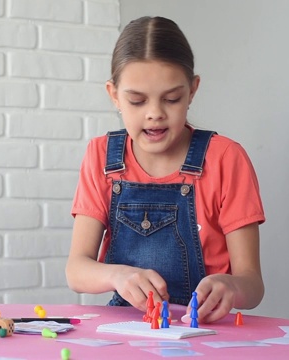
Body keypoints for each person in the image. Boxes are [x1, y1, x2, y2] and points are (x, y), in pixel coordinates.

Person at [65, 16, 265, 324]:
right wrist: (118, 276)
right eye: (137, 101)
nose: (155, 113)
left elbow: (252, 285)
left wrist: (231, 285)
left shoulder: (227, 158)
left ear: (192, 90)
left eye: (172, 99)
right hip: (127, 330)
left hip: (204, 330)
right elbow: (76, 270)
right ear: (114, 95)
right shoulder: (101, 156)